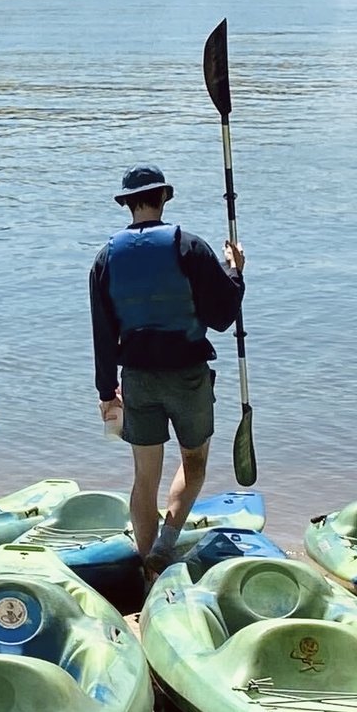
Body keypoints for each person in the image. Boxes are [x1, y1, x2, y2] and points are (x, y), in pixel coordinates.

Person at [88, 164, 244, 566]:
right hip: (188, 375)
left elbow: (103, 334)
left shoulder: (105, 258)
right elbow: (223, 316)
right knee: (194, 463)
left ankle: (148, 569)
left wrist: (107, 392)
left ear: (127, 204)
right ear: (164, 198)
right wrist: (235, 272)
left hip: (136, 379)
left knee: (145, 478)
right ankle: (164, 544)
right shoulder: (189, 247)